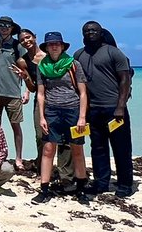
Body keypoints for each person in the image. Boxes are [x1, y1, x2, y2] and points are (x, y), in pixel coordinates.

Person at [75, 22, 134, 198]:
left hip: (114, 109)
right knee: (98, 148)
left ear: (101, 33)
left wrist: (120, 106)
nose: (90, 32)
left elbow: (125, 80)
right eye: (86, 31)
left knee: (121, 148)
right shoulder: (79, 55)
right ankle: (101, 182)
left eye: (94, 30)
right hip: (93, 110)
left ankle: (125, 184)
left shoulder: (113, 52)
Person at [32, 32, 90, 205]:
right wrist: (42, 116)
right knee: (48, 150)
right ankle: (44, 189)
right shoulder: (42, 66)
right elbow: (41, 94)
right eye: (50, 44)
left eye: (57, 44)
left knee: (77, 150)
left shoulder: (74, 64)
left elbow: (83, 92)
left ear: (63, 46)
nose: (54, 47)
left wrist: (82, 117)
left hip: (72, 111)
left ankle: (81, 189)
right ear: (46, 48)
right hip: (52, 112)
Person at [16, 28, 73, 188]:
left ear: (35, 37)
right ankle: (43, 169)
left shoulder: (50, 56)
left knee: (64, 138)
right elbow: (33, 88)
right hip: (40, 100)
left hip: (62, 100)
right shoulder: (23, 61)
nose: (26, 41)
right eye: (22, 40)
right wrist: (25, 77)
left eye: (28, 37)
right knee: (41, 136)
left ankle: (65, 174)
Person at [0, 15, 30, 172]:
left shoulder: (18, 46)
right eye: (1, 25)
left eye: (7, 25)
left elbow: (27, 70)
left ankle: (19, 158)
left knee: (16, 126)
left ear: (12, 28)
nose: (4, 27)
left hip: (13, 92)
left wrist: (27, 91)